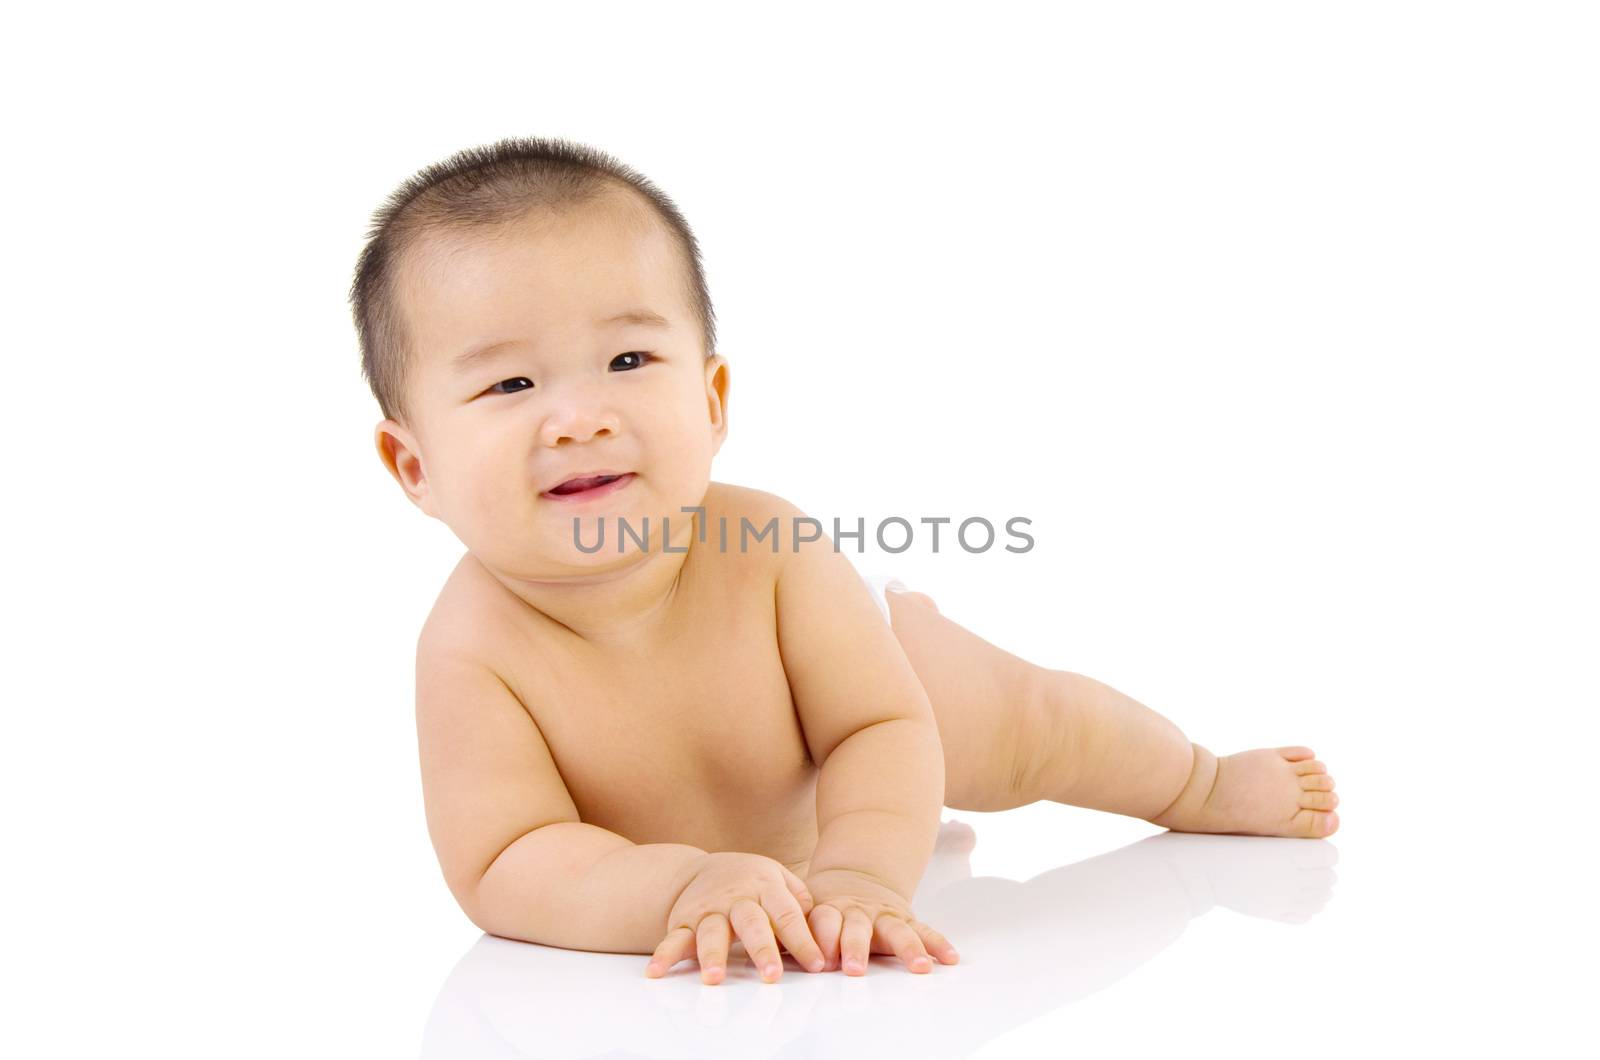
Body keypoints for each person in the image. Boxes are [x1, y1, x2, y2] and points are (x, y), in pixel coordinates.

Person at [349, 135, 1340, 987]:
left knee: (1023, 724)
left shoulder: (768, 554)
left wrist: (863, 873)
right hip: (755, 840)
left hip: (878, 684)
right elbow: (509, 858)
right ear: (414, 463)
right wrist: (681, 886)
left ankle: (1196, 782)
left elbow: (877, 724)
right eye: (511, 382)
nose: (581, 417)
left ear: (710, 399)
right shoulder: (471, 652)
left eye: (628, 360)